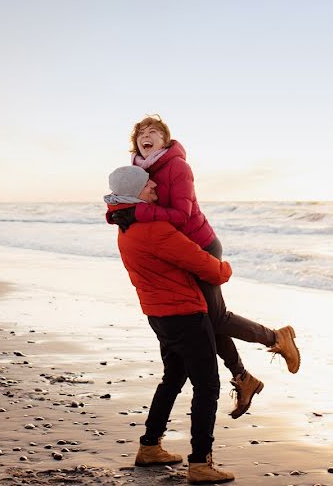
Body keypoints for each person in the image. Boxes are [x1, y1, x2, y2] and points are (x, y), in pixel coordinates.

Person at [108, 115, 300, 419]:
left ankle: (276, 338)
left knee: (217, 317)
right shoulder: (141, 173)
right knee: (205, 320)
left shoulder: (176, 167)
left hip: (200, 245)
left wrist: (139, 212)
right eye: (142, 132)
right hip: (176, 248)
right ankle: (244, 377)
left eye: (154, 131)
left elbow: (182, 215)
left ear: (165, 141)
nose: (147, 135)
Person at [106, 165, 235, 484]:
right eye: (147, 184)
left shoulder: (125, 228)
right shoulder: (155, 231)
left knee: (173, 378)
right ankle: (201, 464)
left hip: (158, 315)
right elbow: (210, 269)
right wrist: (225, 267)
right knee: (207, 386)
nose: (154, 186)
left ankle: (150, 447)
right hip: (185, 315)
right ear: (134, 192)